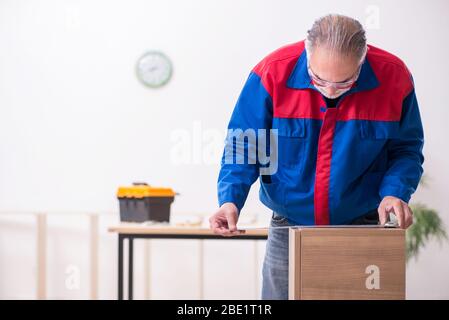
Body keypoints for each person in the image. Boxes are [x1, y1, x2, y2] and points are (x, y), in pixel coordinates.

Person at [209, 14, 424, 299]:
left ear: (363, 59)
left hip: (362, 225)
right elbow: (244, 145)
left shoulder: (394, 78)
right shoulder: (272, 73)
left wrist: (395, 193)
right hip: (288, 226)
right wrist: (229, 200)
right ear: (307, 54)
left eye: (345, 82)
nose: (331, 90)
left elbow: (406, 150)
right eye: (319, 79)